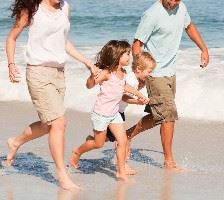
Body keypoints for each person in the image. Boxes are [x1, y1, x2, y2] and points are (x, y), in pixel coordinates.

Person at [5, 0, 97, 190]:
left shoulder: (65, 7)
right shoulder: (33, 8)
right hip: (38, 72)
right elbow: (12, 37)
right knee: (59, 122)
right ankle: (62, 176)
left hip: (59, 74)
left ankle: (15, 141)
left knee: (49, 125)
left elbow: (63, 42)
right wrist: (11, 64)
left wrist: (86, 62)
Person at [127, 0, 209, 169]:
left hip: (171, 72)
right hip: (154, 73)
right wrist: (141, 74)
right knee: (169, 115)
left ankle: (126, 135)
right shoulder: (152, 14)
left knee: (159, 116)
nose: (173, 2)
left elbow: (190, 26)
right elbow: (136, 45)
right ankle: (169, 161)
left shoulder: (182, 7)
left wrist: (203, 49)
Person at [69, 40, 147, 182]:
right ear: (117, 56)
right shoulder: (106, 73)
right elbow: (89, 86)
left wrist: (138, 94)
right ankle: (77, 151)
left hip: (115, 113)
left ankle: (120, 172)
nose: (129, 57)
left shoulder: (123, 72)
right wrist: (92, 76)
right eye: (127, 54)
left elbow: (124, 85)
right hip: (101, 114)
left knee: (122, 141)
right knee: (98, 144)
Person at [84, 52, 156, 175]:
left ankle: (92, 140)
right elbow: (123, 97)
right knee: (122, 140)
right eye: (149, 71)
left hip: (117, 111)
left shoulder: (134, 79)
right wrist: (137, 102)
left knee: (109, 139)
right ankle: (122, 166)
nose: (150, 74)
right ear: (139, 69)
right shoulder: (131, 80)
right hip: (114, 112)